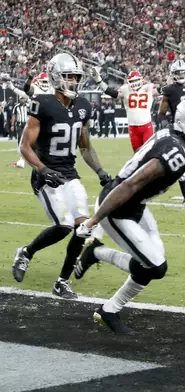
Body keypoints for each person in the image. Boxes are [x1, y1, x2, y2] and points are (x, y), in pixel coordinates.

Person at [74, 97, 185, 334]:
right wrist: (94, 221)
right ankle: (98, 261)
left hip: (136, 205)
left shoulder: (176, 142)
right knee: (156, 266)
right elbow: (131, 185)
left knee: (152, 261)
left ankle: (109, 310)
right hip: (118, 206)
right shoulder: (176, 151)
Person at [12, 53, 111, 299]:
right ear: (56, 77)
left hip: (69, 173)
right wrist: (43, 169)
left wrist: (100, 171)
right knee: (64, 225)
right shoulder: (42, 103)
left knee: (83, 228)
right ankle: (26, 252)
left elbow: (85, 146)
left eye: (76, 77)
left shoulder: (83, 107)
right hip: (45, 174)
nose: (73, 82)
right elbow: (24, 147)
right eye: (68, 76)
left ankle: (61, 282)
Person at [158, 59, 185, 208]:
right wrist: (165, 124)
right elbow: (162, 113)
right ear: (173, 74)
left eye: (183, 72)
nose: (181, 75)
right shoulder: (169, 90)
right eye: (178, 73)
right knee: (181, 165)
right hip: (178, 128)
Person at [91, 69, 160, 151]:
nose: (134, 83)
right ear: (128, 82)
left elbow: (164, 90)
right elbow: (110, 92)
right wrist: (99, 81)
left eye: (136, 80)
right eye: (132, 81)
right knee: (137, 155)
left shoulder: (148, 88)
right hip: (133, 128)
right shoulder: (125, 89)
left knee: (149, 153)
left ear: (141, 80)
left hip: (146, 126)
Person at [10, 96, 29, 167]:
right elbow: (14, 115)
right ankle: (21, 150)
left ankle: (28, 150)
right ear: (19, 99)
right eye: (21, 98)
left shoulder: (28, 106)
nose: (22, 100)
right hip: (19, 124)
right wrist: (12, 125)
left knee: (28, 138)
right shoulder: (16, 107)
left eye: (23, 98)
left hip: (27, 124)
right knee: (20, 137)